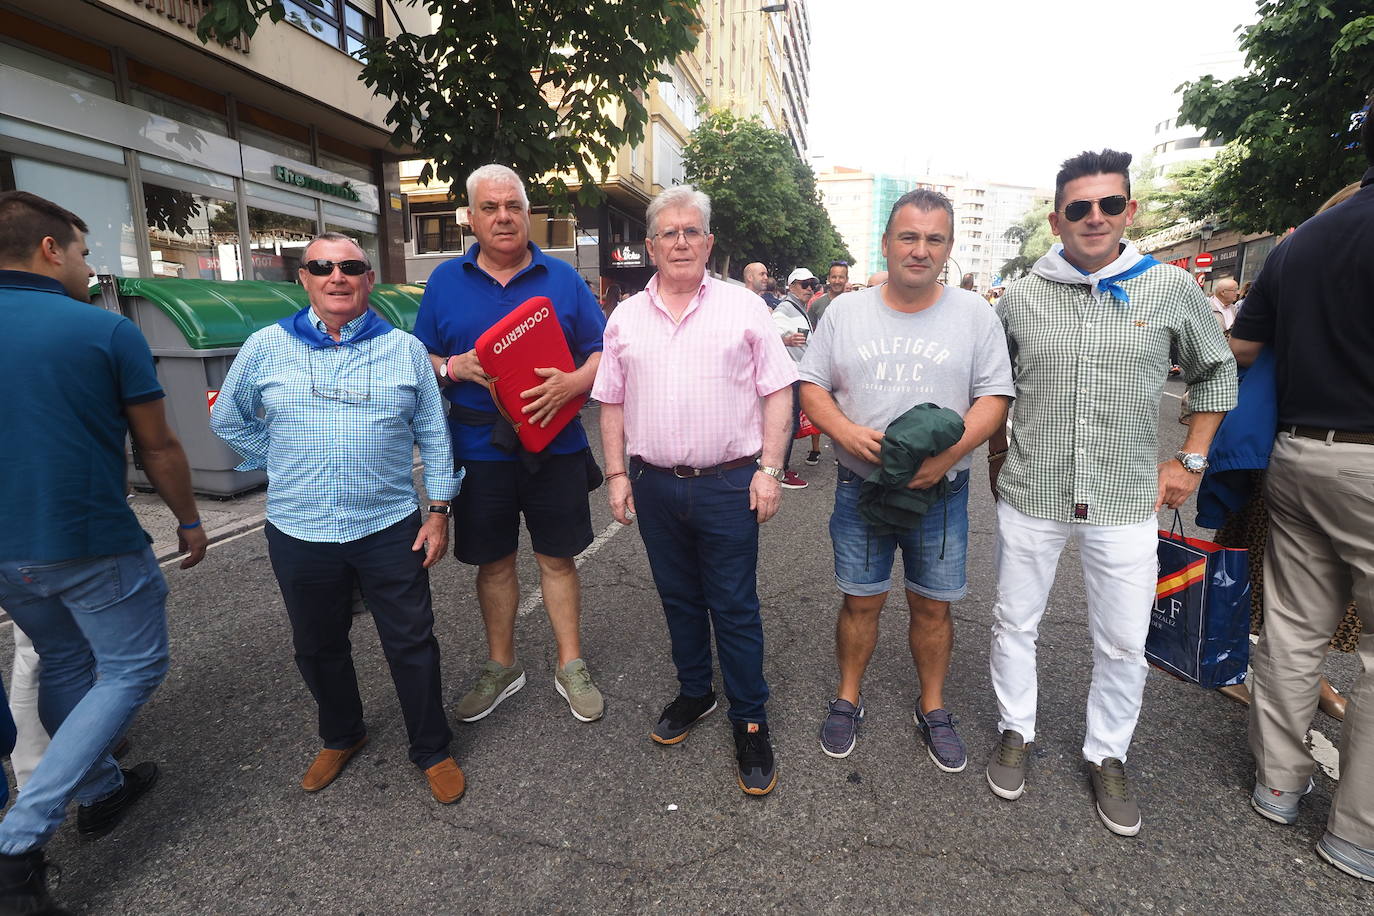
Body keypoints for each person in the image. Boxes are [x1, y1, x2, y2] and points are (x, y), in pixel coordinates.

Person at [986, 150, 1236, 837]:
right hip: (1033, 490)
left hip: (1127, 498)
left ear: (1130, 210)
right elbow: (990, 387)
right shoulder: (1023, 296)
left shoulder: (1170, 289)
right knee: (1015, 622)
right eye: (1078, 207)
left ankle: (1108, 753)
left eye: (1108, 204)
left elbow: (1216, 373)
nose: (1093, 217)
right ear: (1056, 218)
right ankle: (1016, 729)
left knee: (1124, 640)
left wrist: (1190, 459)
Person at [0, 190, 207, 914]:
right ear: (51, 249)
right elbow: (158, 443)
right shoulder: (101, 330)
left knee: (63, 659)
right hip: (87, 537)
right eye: (84, 252)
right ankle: (20, 841)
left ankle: (99, 791)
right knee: (132, 665)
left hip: (7, 552)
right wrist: (188, 520)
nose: (90, 267)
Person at [212, 232, 464, 804]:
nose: (337, 276)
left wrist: (440, 508)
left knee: (412, 642)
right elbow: (227, 418)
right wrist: (278, 458)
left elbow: (434, 433)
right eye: (322, 267)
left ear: (368, 278)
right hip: (299, 530)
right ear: (303, 278)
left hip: (389, 525)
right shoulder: (264, 346)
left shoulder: (403, 350)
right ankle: (342, 733)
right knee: (318, 644)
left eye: (351, 266)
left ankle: (432, 748)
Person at [593, 185, 796, 796]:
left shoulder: (743, 308)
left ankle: (749, 717)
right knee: (679, 599)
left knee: (733, 606)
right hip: (654, 485)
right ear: (650, 245)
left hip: (730, 482)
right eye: (668, 233)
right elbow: (612, 400)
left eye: (692, 232)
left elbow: (778, 390)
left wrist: (770, 468)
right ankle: (694, 692)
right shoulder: (625, 317)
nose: (680, 242)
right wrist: (617, 475)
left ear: (708, 243)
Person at [800, 189, 1013, 766]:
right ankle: (848, 698)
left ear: (948, 249)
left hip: (942, 492)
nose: (920, 250)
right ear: (888, 243)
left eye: (934, 239)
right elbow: (811, 386)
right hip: (859, 484)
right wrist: (844, 433)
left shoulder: (975, 315)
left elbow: (994, 397)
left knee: (933, 606)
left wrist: (948, 458)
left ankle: (933, 706)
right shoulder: (846, 311)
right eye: (909, 237)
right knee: (860, 602)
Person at [1229, 99, 1374, 882]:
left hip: (1299, 453)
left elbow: (1243, 344)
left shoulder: (1302, 241)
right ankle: (1358, 832)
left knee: (1291, 628)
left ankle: (1278, 785)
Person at [415, 164, 607, 725]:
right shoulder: (446, 282)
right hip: (478, 449)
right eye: (491, 208)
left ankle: (570, 664)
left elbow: (602, 351)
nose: (504, 217)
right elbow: (416, 359)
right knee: (494, 562)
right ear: (471, 218)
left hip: (557, 443)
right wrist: (452, 365)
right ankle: (503, 666)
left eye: (514, 207)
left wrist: (575, 381)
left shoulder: (563, 277)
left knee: (558, 557)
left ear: (529, 215)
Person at [774, 268, 817, 489]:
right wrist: (786, 339)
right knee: (787, 423)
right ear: (791, 286)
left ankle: (781, 467)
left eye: (812, 284)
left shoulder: (798, 307)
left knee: (789, 422)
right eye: (804, 284)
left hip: (796, 373)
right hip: (792, 374)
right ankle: (781, 470)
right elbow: (770, 330)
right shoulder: (786, 307)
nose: (809, 288)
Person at [808, 260, 849, 328]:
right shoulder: (817, 305)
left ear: (846, 279)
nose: (837, 281)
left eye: (841, 277)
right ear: (828, 278)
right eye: (834, 277)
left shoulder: (853, 305)